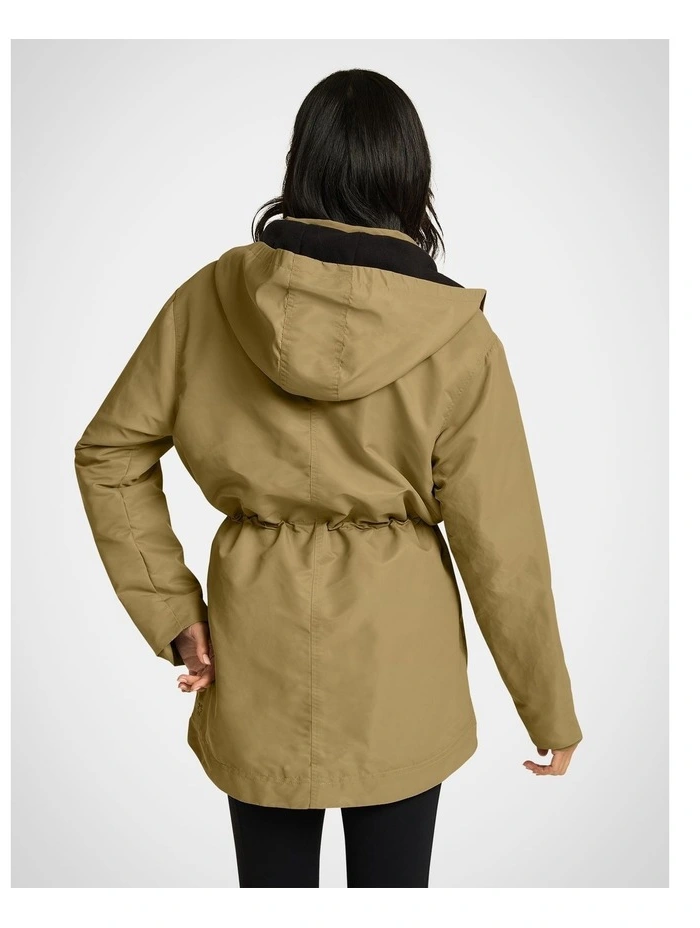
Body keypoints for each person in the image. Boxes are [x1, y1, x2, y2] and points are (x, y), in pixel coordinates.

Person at [74, 68, 583, 889]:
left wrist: (174, 613)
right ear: (411, 178)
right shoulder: (457, 337)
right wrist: (547, 708)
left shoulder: (208, 302)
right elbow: (503, 546)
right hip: (400, 669)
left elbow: (110, 453)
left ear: (299, 164)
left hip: (258, 652)